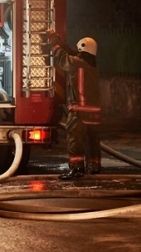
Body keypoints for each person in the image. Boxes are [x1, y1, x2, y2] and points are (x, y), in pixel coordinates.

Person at [46, 30, 101, 179]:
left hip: (79, 112)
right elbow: (72, 55)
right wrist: (62, 43)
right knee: (92, 141)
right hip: (93, 112)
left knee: (75, 140)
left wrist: (53, 44)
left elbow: (64, 59)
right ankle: (94, 166)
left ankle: (76, 169)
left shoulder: (77, 63)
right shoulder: (89, 64)